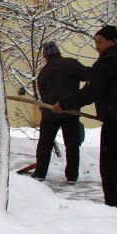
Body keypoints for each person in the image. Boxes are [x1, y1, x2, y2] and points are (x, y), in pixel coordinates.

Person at [53, 25, 117, 221]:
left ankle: (112, 209)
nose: (97, 46)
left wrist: (64, 104)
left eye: (100, 42)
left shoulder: (106, 63)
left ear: (111, 42)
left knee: (109, 168)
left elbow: (91, 92)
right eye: (95, 41)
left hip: (116, 124)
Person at [33, 41, 89, 183]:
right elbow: (89, 75)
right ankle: (72, 176)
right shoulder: (72, 64)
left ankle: (40, 173)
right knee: (72, 146)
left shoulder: (44, 71)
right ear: (58, 53)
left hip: (50, 113)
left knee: (45, 145)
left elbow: (43, 91)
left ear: (46, 56)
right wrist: (81, 95)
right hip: (71, 112)